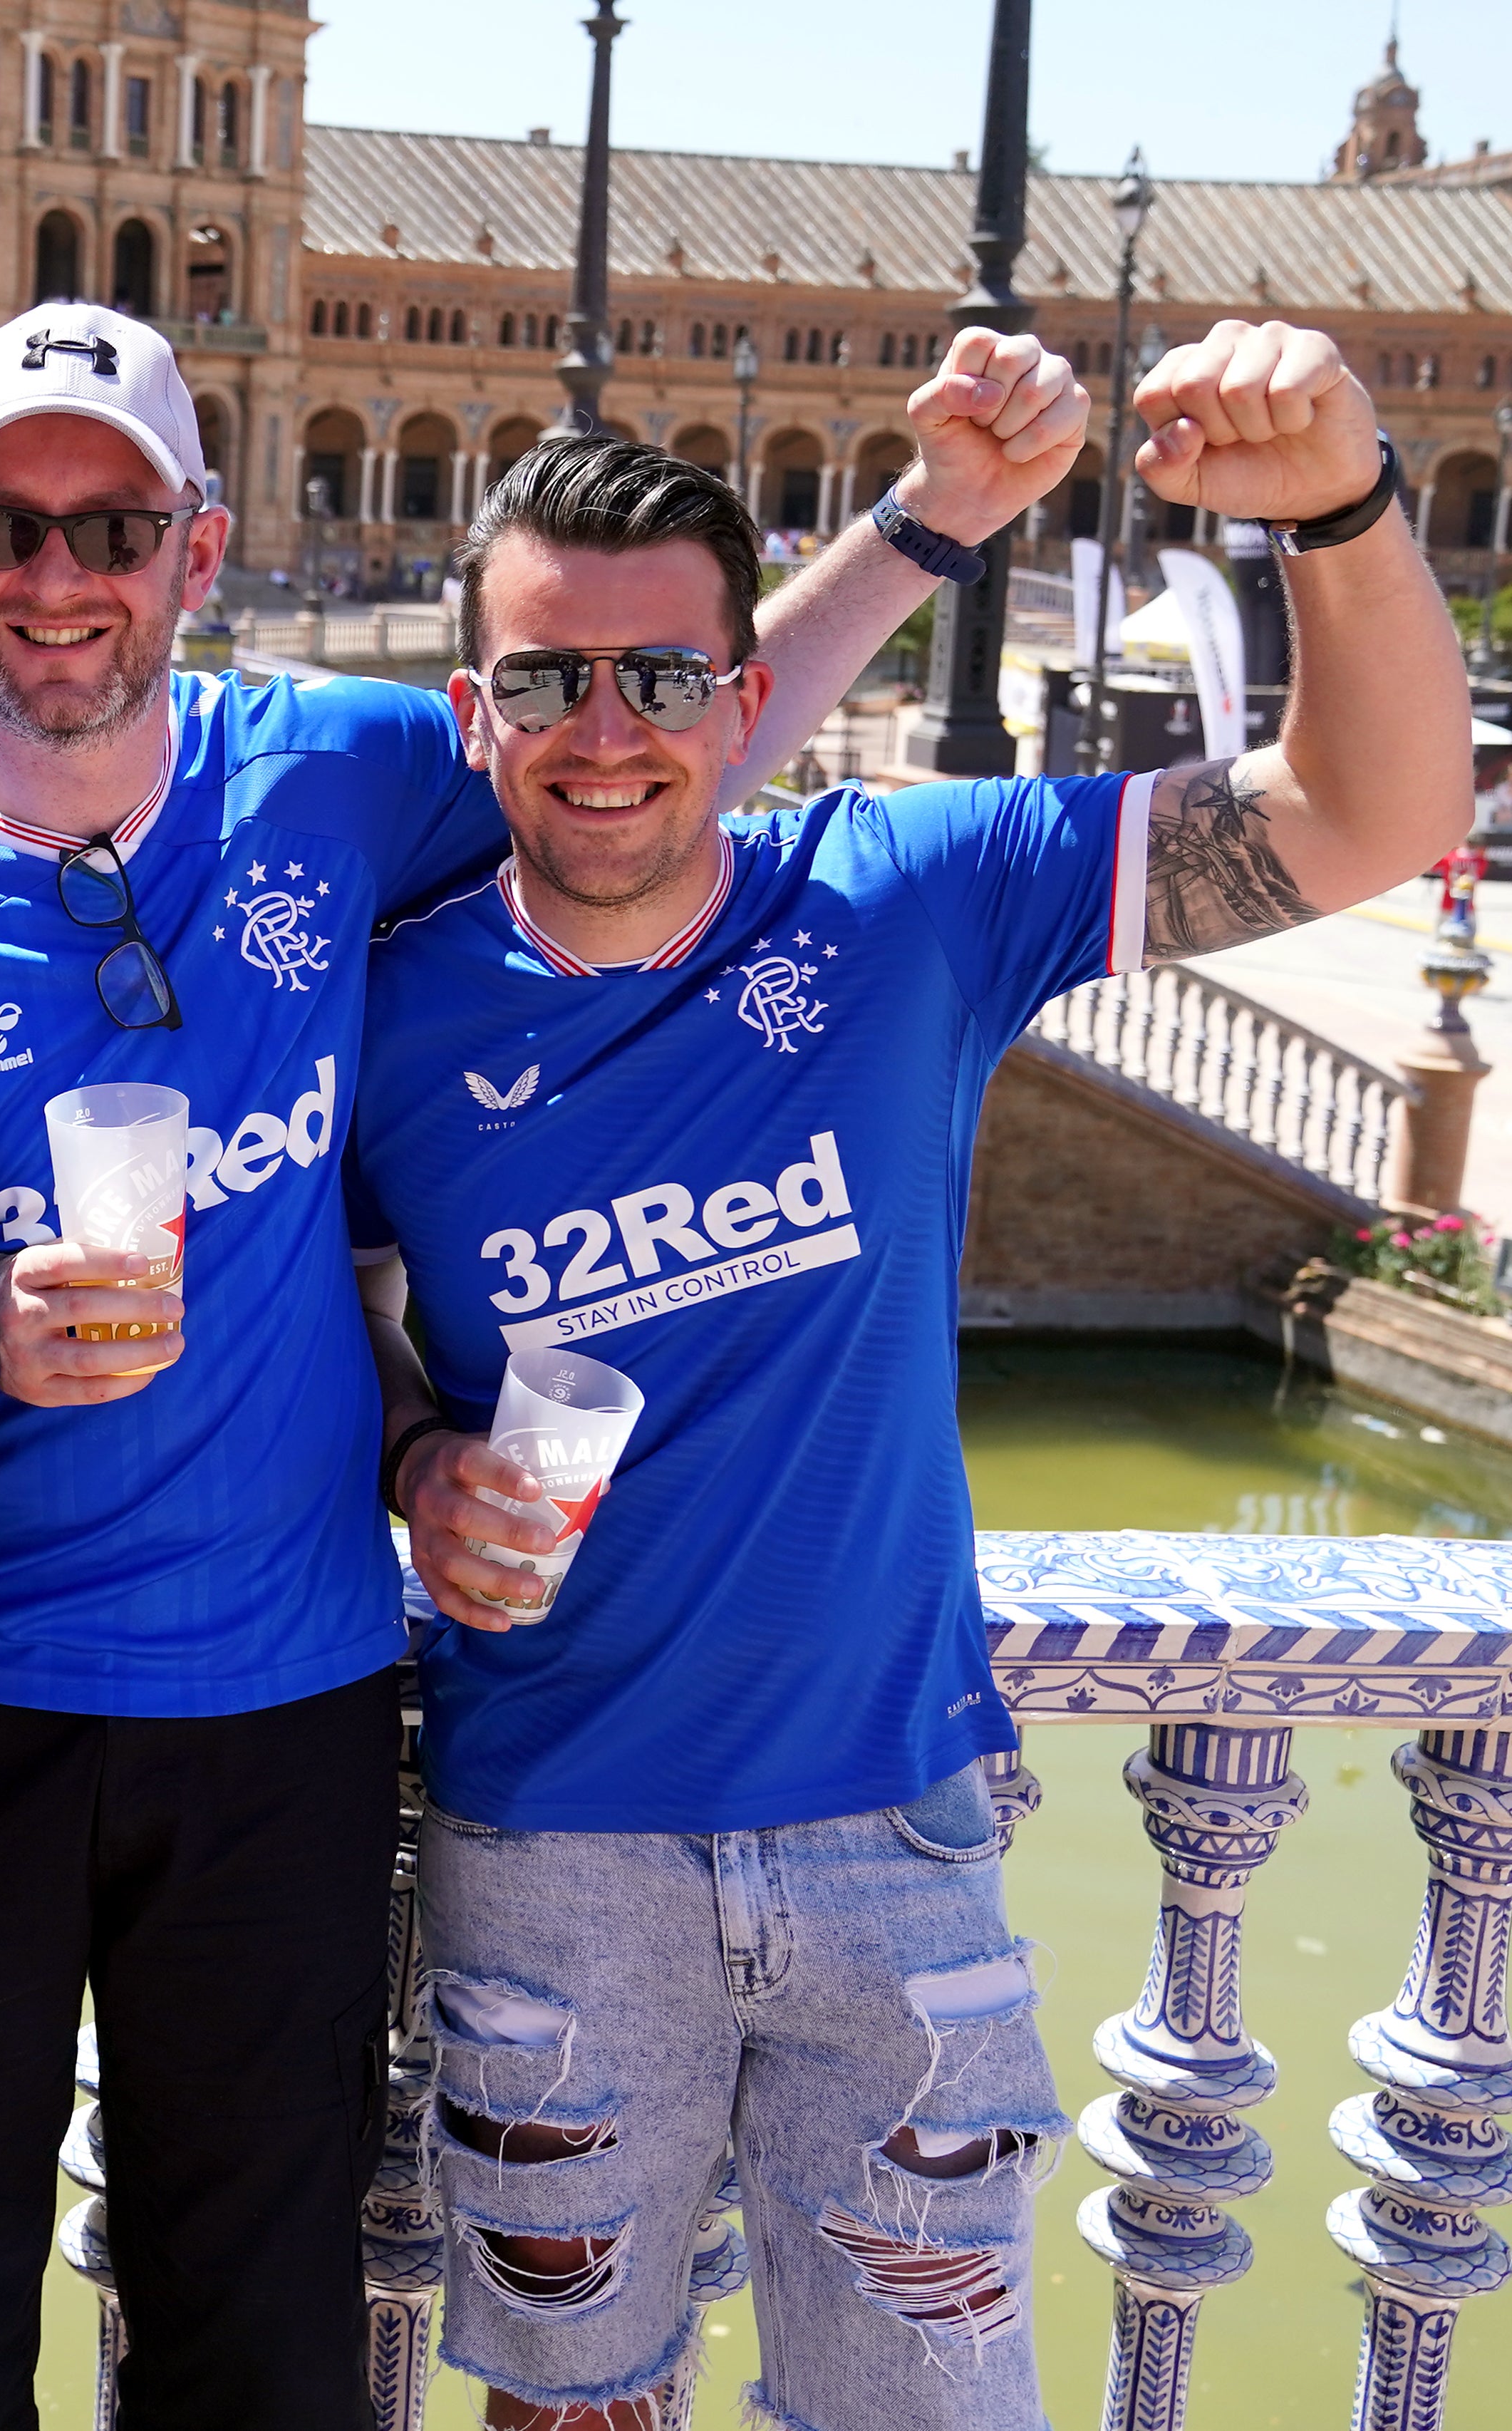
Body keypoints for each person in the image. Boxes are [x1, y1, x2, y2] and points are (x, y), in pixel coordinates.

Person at [0, 300, 1084, 2426]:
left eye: (116, 524)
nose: (62, 574)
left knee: (256, 2324)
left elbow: (650, 737)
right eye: (11, 521)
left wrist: (930, 525)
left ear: (200, 539)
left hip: (287, 1704)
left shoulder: (341, 775)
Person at [354, 322, 1466, 2431]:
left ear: (748, 695)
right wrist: (415, 1450)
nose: (609, 731)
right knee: (569, 2406)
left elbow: (1374, 807)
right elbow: (322, 1300)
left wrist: (1333, 500)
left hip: (894, 1818)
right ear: (467, 708)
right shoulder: (387, 1013)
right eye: (547, 679)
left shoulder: (910, 900)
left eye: (667, 675)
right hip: (558, 1827)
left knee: (925, 2414)